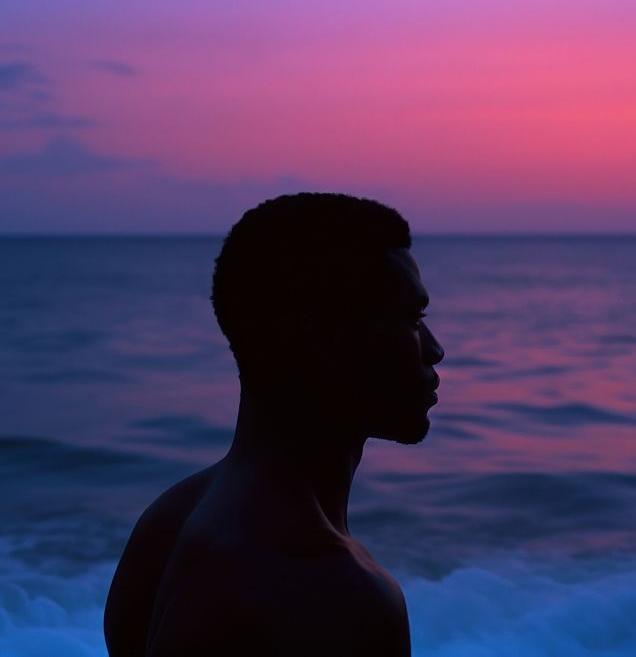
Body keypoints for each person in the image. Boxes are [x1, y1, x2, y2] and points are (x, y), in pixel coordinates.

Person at [104, 193, 445, 656]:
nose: (434, 349)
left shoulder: (169, 520)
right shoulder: (331, 588)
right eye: (411, 319)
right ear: (322, 338)